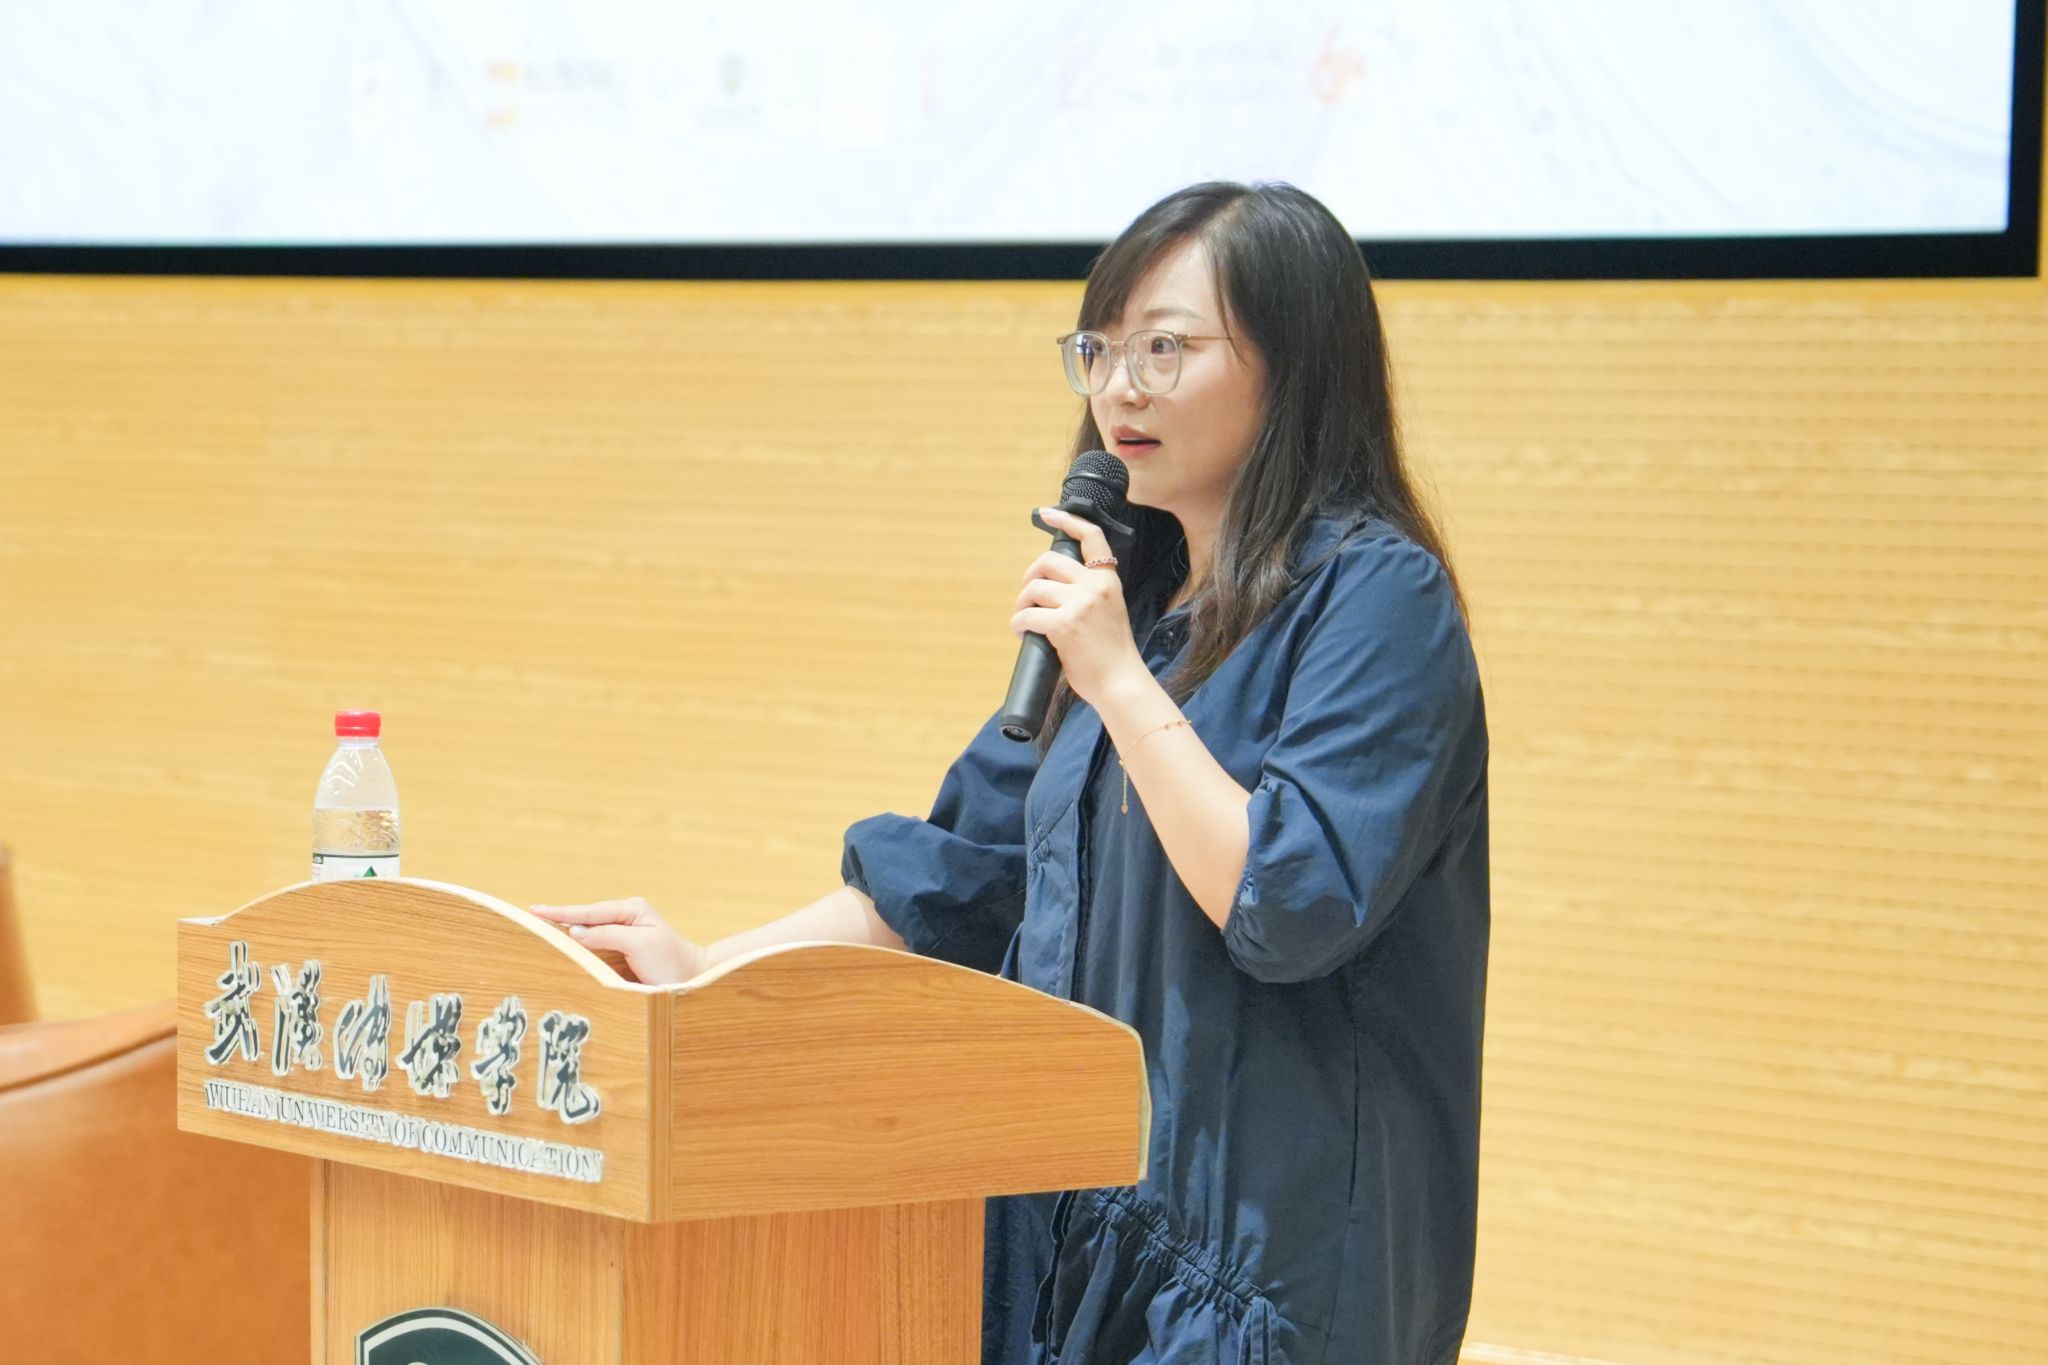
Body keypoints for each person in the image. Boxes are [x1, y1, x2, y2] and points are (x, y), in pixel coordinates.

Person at [531, 180, 1488, 1365]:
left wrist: (1119, 681)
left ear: (1291, 366)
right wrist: (707, 975)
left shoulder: (1372, 599)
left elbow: (1285, 903)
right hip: (1071, 1231)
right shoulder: (1128, 601)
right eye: (1100, 348)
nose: (1118, 387)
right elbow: (953, 875)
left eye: (1164, 348)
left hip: (1261, 1272)